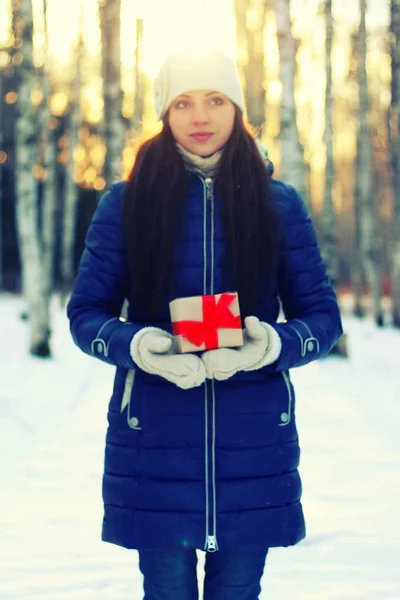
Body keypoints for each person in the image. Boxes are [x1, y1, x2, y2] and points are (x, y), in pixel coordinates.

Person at [67, 49, 343, 600]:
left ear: (237, 109)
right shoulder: (126, 203)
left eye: (216, 100)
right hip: (154, 439)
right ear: (165, 115)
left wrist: (265, 346)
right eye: (184, 103)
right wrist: (141, 346)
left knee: (239, 590)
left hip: (255, 442)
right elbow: (85, 316)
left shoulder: (278, 203)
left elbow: (322, 319)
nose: (201, 117)